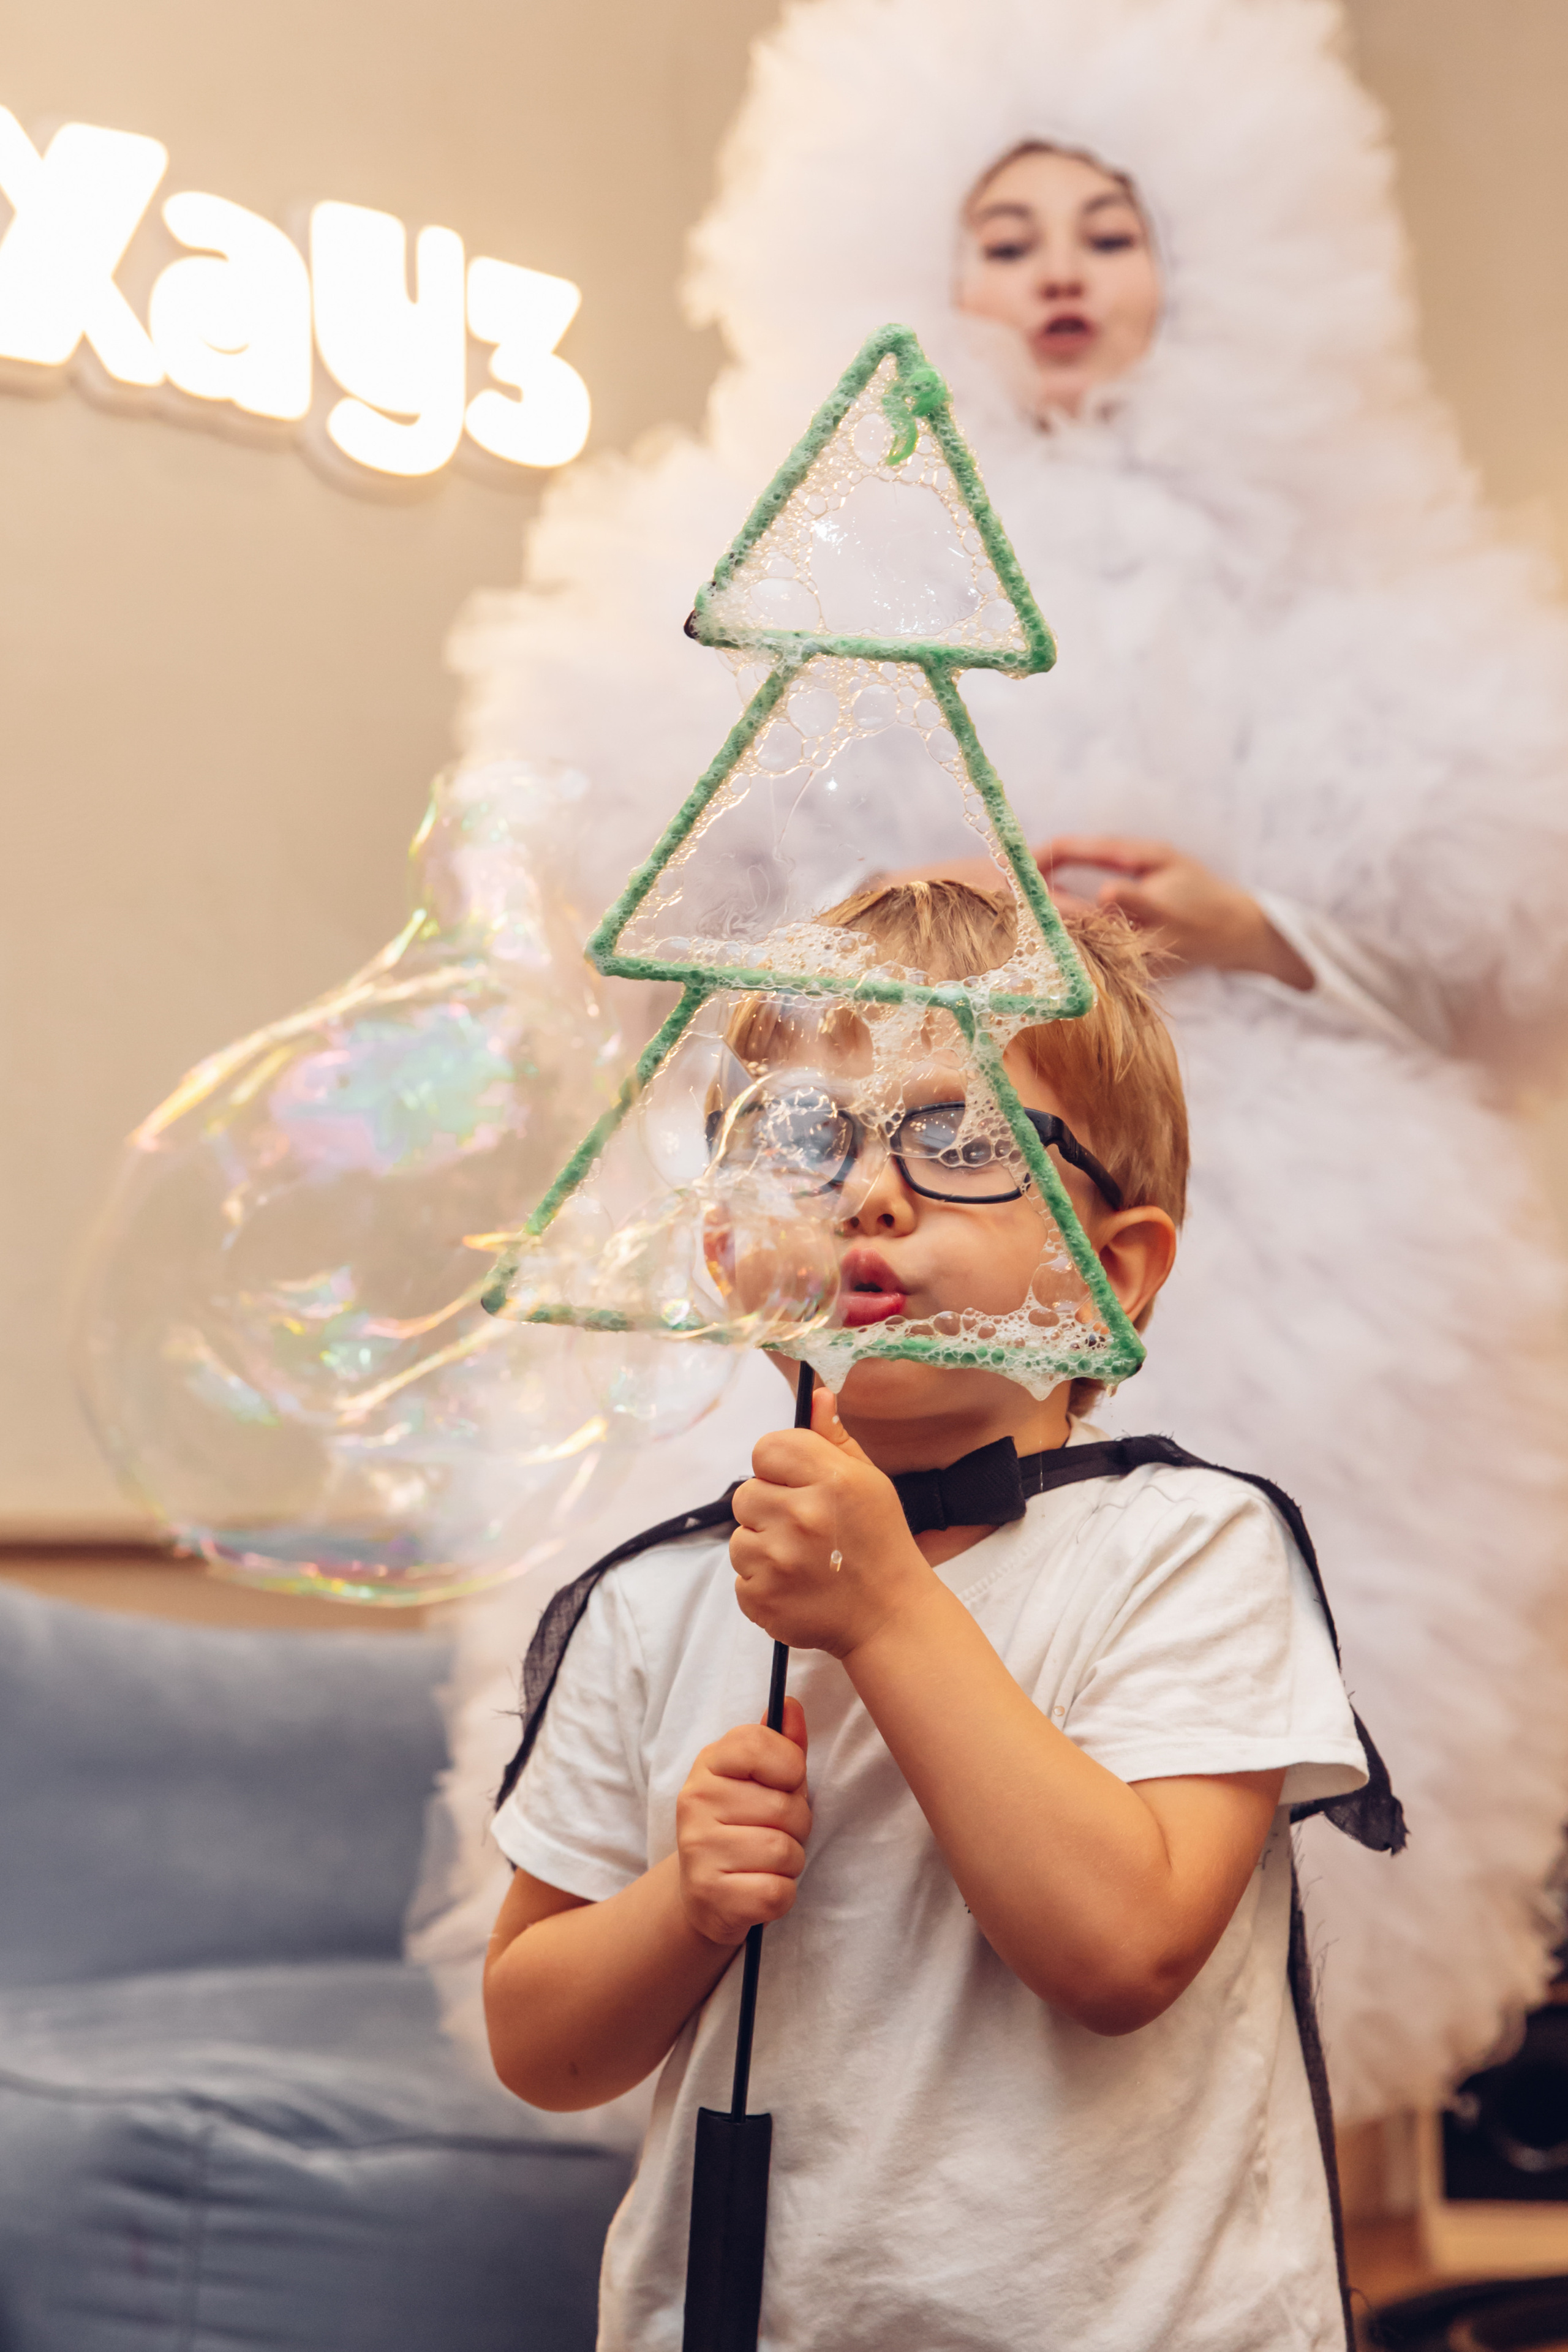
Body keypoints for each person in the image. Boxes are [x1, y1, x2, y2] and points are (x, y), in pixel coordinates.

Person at [428, 0, 1568, 2125]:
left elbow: (1513, 952)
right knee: (811, 1756)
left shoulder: (1361, 587)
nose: (1059, 269)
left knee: (1143, 1716)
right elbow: (630, 899)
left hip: (1273, 1247)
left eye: (1111, 231)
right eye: (1007, 230)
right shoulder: (801, 558)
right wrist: (907, 921)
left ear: (1224, 265)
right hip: (907, 1199)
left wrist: (1251, 928)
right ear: (903, 272)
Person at [483, 883, 1387, 2352]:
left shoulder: (1193, 1547)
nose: (871, 1194)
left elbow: (1120, 1952)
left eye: (962, 1141)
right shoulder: (654, 1601)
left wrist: (889, 1612)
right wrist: (683, 1907)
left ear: (1117, 1271)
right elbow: (537, 2041)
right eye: (802, 1141)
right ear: (724, 1256)